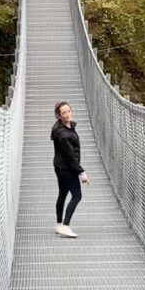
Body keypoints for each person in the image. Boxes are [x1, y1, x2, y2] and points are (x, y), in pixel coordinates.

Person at [51, 101, 89, 237]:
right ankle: (65, 226)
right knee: (77, 195)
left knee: (62, 194)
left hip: (60, 166)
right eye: (63, 113)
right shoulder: (63, 134)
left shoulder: (66, 127)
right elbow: (70, 156)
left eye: (68, 111)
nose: (67, 115)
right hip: (66, 168)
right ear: (59, 116)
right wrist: (82, 173)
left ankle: (59, 224)